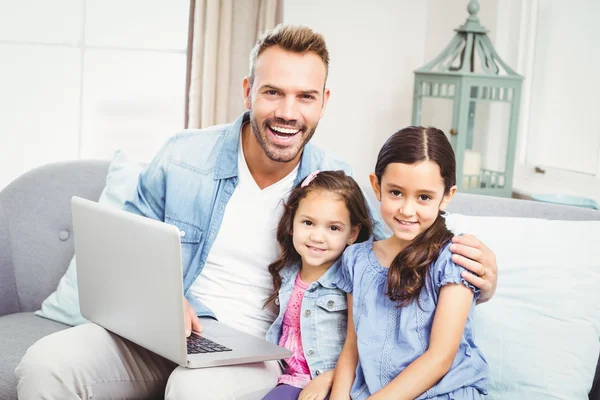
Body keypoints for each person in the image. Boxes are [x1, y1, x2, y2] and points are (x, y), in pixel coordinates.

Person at [16, 25, 497, 399]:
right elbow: (121, 246)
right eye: (273, 92)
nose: (288, 111)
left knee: (192, 389)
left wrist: (484, 283)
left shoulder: (341, 185)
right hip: (160, 331)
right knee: (46, 365)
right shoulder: (183, 157)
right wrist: (162, 298)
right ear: (248, 90)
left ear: (323, 103)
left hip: (255, 353)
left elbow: (403, 244)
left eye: (305, 96)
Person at [330, 126, 489, 400]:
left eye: (424, 197)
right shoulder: (355, 259)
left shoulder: (454, 259)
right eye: (396, 193)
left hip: (444, 393)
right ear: (377, 186)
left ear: (447, 196)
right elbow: (352, 347)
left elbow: (439, 358)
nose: (406, 209)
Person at [262, 170, 372, 400]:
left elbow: (368, 346)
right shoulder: (288, 272)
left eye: (333, 228)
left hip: (336, 382)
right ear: (292, 223)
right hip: (291, 378)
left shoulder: (352, 280)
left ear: (352, 233)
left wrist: (331, 378)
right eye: (308, 223)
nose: (317, 237)